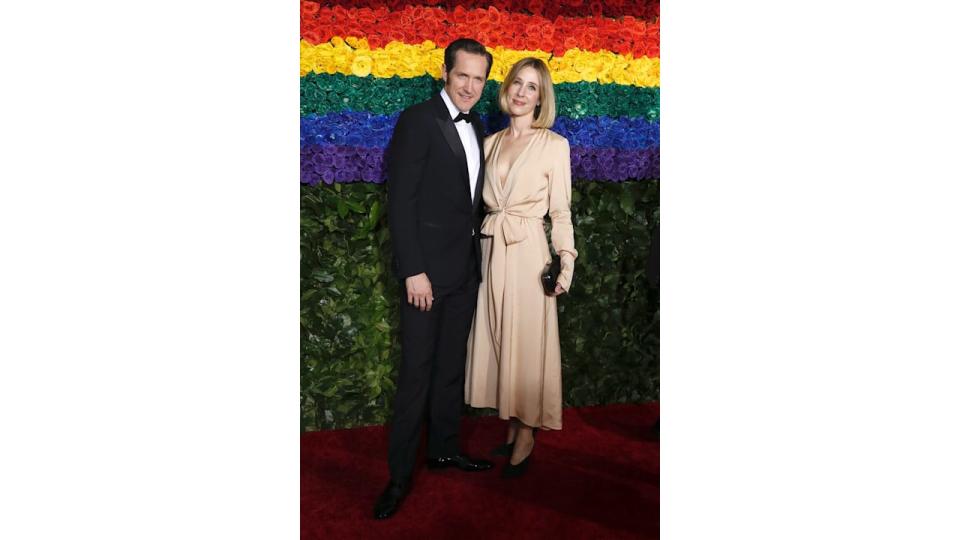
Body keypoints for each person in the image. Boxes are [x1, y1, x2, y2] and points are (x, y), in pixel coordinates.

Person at [374, 38, 495, 520]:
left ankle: (444, 448)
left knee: (449, 370)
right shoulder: (418, 119)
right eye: (462, 75)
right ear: (445, 73)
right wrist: (413, 271)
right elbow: (401, 200)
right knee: (416, 377)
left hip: (465, 271)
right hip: (425, 275)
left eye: (478, 78)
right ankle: (399, 477)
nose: (469, 86)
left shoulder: (480, 123)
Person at [464, 57, 577, 478]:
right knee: (500, 336)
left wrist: (564, 264)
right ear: (506, 87)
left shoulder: (554, 145)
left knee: (528, 342)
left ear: (541, 97)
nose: (521, 92)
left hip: (530, 251)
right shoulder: (489, 143)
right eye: (517, 83)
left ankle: (528, 431)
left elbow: (561, 212)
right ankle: (513, 423)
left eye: (532, 87)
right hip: (492, 251)